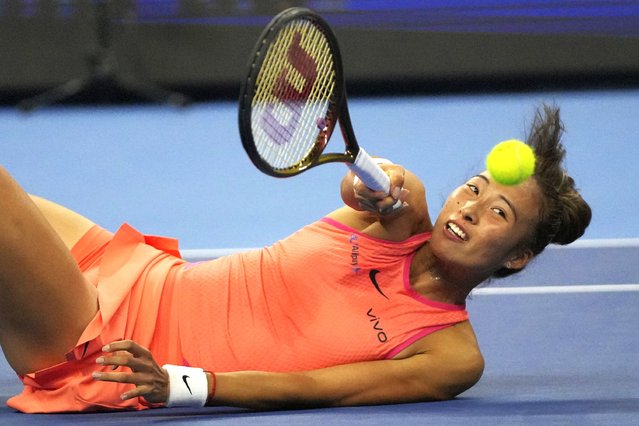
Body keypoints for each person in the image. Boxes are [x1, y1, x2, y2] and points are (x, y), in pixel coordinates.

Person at [0, 104, 591, 413]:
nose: (470, 207)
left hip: (115, 344)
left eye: (499, 215)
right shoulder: (400, 210)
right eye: (474, 187)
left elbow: (315, 388)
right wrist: (370, 183)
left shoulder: (449, 353)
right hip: (139, 272)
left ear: (517, 259)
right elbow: (372, 184)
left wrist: (179, 385)